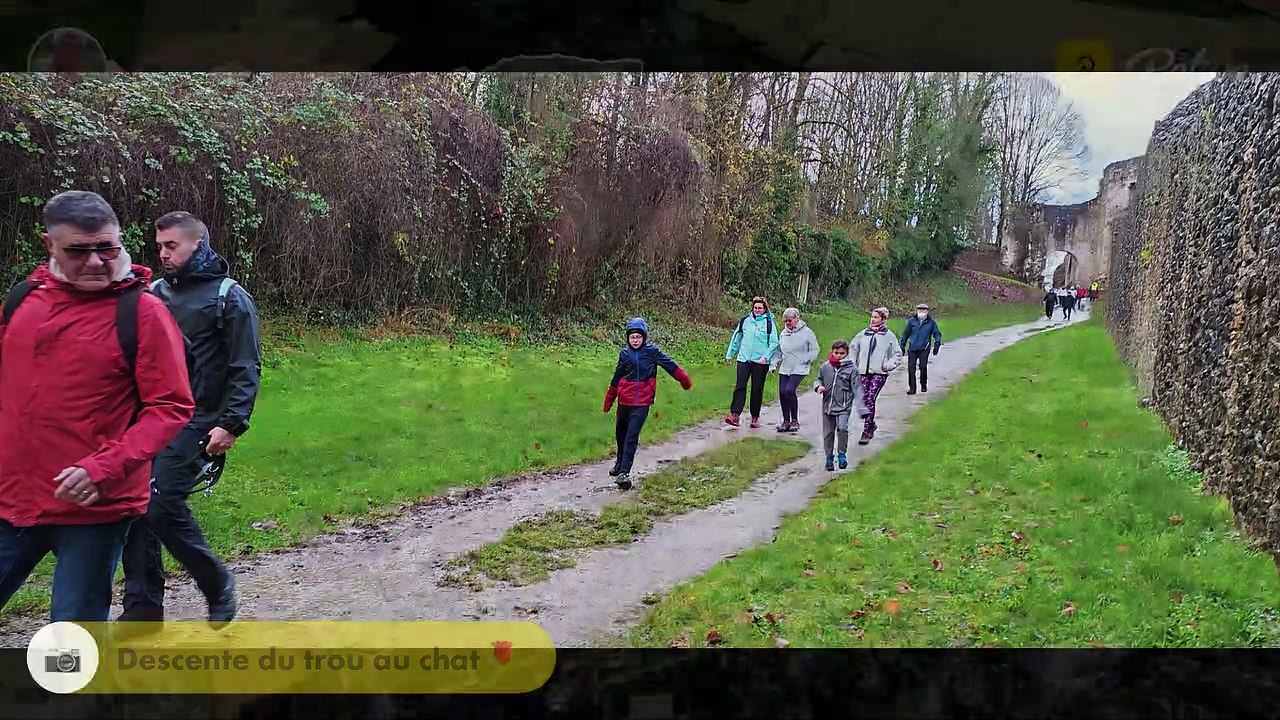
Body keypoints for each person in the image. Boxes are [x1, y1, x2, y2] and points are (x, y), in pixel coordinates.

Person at [0, 190, 195, 623]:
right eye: (78, 250)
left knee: (71, 638)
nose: (95, 261)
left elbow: (171, 406)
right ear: (50, 246)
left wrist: (102, 468)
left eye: (107, 248)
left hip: (95, 506)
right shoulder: (22, 302)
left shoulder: (143, 312)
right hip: (13, 498)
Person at [119, 211, 262, 625]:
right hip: (150, 417)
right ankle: (142, 610)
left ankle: (216, 582)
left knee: (160, 505)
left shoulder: (229, 297)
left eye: (171, 246)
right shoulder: (155, 294)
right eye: (159, 246)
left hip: (200, 420)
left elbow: (245, 365)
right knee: (135, 507)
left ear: (196, 244)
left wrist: (233, 423)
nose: (162, 253)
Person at [603, 318, 692, 490]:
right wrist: (609, 400)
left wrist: (684, 379)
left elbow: (670, 365)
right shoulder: (625, 354)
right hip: (625, 400)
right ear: (628, 339)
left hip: (642, 402)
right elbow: (616, 378)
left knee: (631, 436)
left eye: (638, 337)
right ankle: (620, 461)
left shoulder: (652, 352)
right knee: (620, 433)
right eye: (632, 337)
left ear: (644, 337)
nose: (635, 340)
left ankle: (624, 473)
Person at [723, 296, 780, 429]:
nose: (757, 310)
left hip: (760, 362)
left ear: (764, 309)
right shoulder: (745, 321)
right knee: (740, 386)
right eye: (755, 308)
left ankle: (755, 417)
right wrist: (730, 354)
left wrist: (765, 358)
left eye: (760, 308)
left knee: (757, 389)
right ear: (752, 308)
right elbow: (736, 338)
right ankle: (735, 415)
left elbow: (774, 343)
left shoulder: (769, 323)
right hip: (743, 359)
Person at [848, 307, 902, 445]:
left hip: (879, 372)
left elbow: (897, 353)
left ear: (883, 319)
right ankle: (871, 424)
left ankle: (866, 431)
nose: (873, 319)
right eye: (872, 317)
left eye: (876, 317)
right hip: (863, 372)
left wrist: (888, 365)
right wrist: (853, 365)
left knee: (870, 399)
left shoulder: (889, 336)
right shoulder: (863, 334)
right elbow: (853, 349)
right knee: (864, 399)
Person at [813, 340, 868, 471]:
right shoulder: (825, 366)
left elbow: (857, 388)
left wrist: (862, 407)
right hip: (828, 406)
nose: (838, 356)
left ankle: (842, 454)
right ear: (832, 352)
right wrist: (818, 386)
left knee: (842, 428)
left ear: (847, 354)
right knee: (828, 433)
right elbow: (818, 378)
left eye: (842, 353)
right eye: (836, 353)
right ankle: (829, 458)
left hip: (844, 406)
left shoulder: (852, 369)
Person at [772, 307, 819, 433]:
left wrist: (806, 358)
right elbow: (779, 352)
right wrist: (773, 365)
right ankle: (786, 421)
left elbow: (815, 350)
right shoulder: (783, 334)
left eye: (790, 320)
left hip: (800, 367)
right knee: (782, 392)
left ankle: (794, 420)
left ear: (797, 319)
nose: (787, 323)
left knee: (789, 390)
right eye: (785, 321)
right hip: (786, 367)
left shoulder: (807, 332)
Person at [900, 303, 942, 395]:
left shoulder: (931, 322)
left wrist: (937, 344)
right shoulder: (912, 322)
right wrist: (902, 346)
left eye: (924, 310)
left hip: (924, 348)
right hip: (912, 348)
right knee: (911, 368)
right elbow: (905, 334)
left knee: (923, 366)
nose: (921, 312)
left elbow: (937, 334)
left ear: (927, 312)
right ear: (916, 311)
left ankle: (923, 384)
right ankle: (912, 388)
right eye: (920, 310)